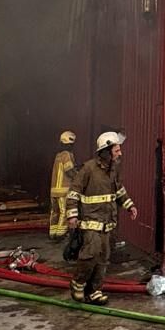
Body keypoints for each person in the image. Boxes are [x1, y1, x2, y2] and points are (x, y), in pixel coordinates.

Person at [65, 130, 138, 305]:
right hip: (91, 221)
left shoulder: (114, 169)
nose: (120, 153)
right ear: (106, 150)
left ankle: (95, 291)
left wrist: (130, 205)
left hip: (108, 223)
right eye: (117, 150)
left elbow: (119, 190)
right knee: (90, 255)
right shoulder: (89, 168)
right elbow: (74, 192)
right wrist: (72, 215)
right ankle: (78, 283)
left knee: (103, 259)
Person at [49, 131, 77, 237]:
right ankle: (60, 235)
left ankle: (52, 233)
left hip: (54, 191)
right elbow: (69, 170)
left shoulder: (58, 156)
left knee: (54, 212)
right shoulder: (67, 155)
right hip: (63, 190)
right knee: (64, 212)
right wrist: (79, 177)